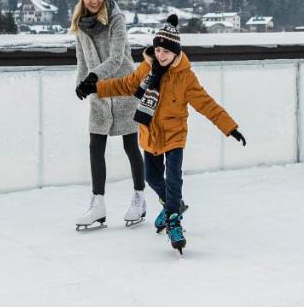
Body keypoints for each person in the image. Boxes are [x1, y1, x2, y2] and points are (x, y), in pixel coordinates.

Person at [77, 14, 245, 253]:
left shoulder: (186, 77)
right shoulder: (148, 69)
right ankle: (171, 206)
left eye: (166, 52)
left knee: (174, 179)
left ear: (176, 53)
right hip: (149, 134)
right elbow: (126, 85)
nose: (161, 55)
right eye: (157, 50)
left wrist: (231, 127)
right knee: (153, 179)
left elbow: (206, 104)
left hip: (174, 135)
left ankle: (173, 219)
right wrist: (95, 87)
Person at [70, 0, 146, 231]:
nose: (94, 0)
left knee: (129, 144)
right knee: (96, 145)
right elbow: (81, 58)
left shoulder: (116, 19)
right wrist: (81, 83)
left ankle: (139, 197)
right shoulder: (79, 25)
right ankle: (98, 204)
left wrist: (93, 78)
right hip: (99, 93)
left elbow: (117, 57)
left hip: (124, 88)